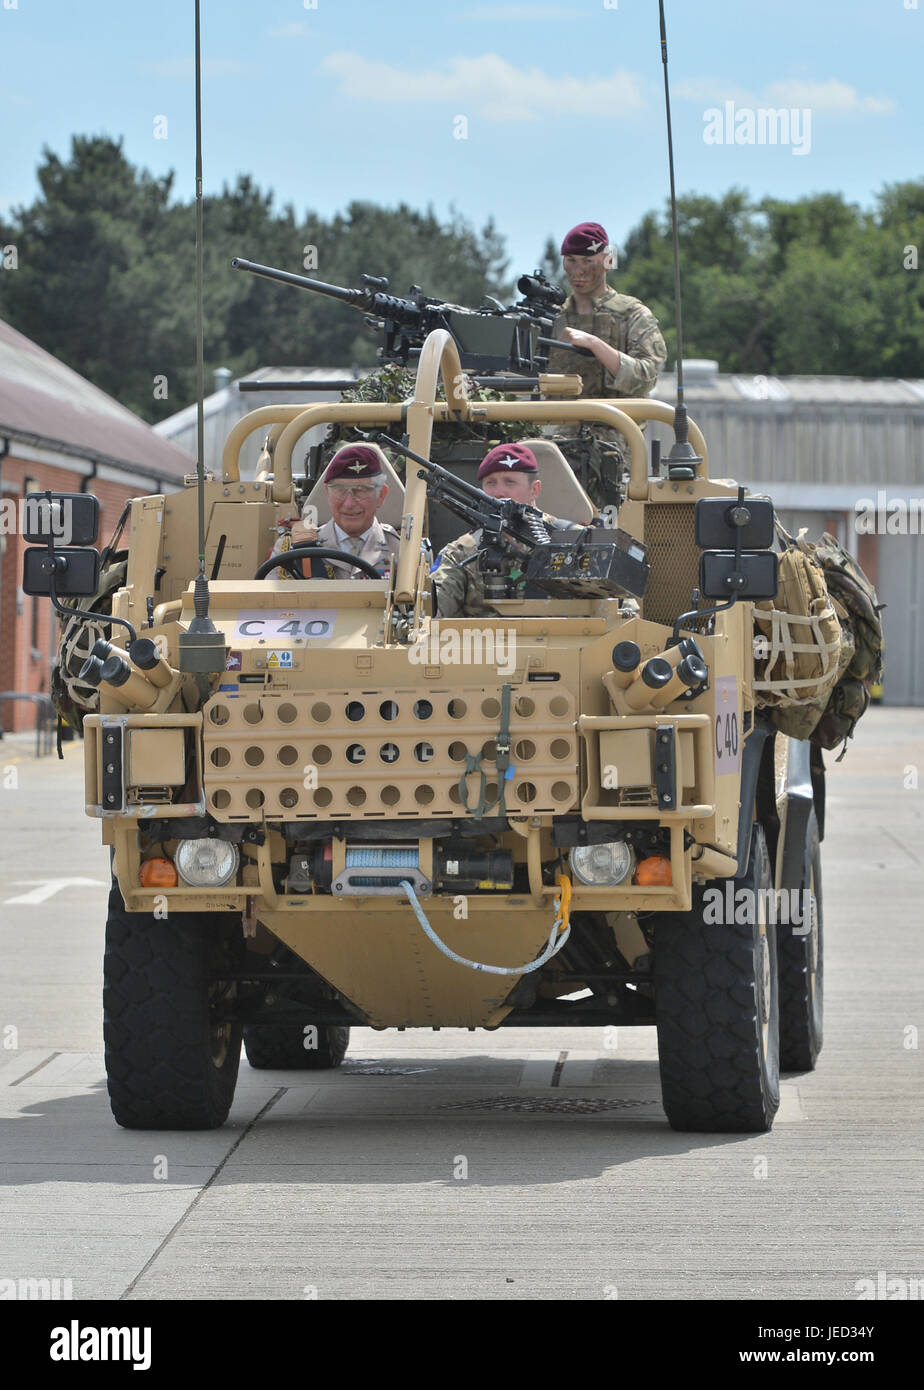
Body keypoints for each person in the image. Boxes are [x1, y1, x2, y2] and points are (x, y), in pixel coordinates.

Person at [544, 221, 667, 505]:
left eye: (588, 260)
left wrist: (596, 345)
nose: (578, 270)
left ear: (607, 261)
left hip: (612, 450)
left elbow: (646, 374)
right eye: (571, 260)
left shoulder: (632, 314)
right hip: (552, 445)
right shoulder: (553, 317)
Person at [432, 442, 582, 618]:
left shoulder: (571, 540)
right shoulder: (462, 552)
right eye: (490, 483)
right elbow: (433, 609)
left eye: (510, 482)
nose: (498, 492)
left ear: (534, 490)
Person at [269, 443, 400, 579]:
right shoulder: (295, 551)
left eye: (361, 491)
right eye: (340, 491)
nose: (349, 504)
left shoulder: (403, 552)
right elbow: (269, 599)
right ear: (328, 493)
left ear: (381, 495)